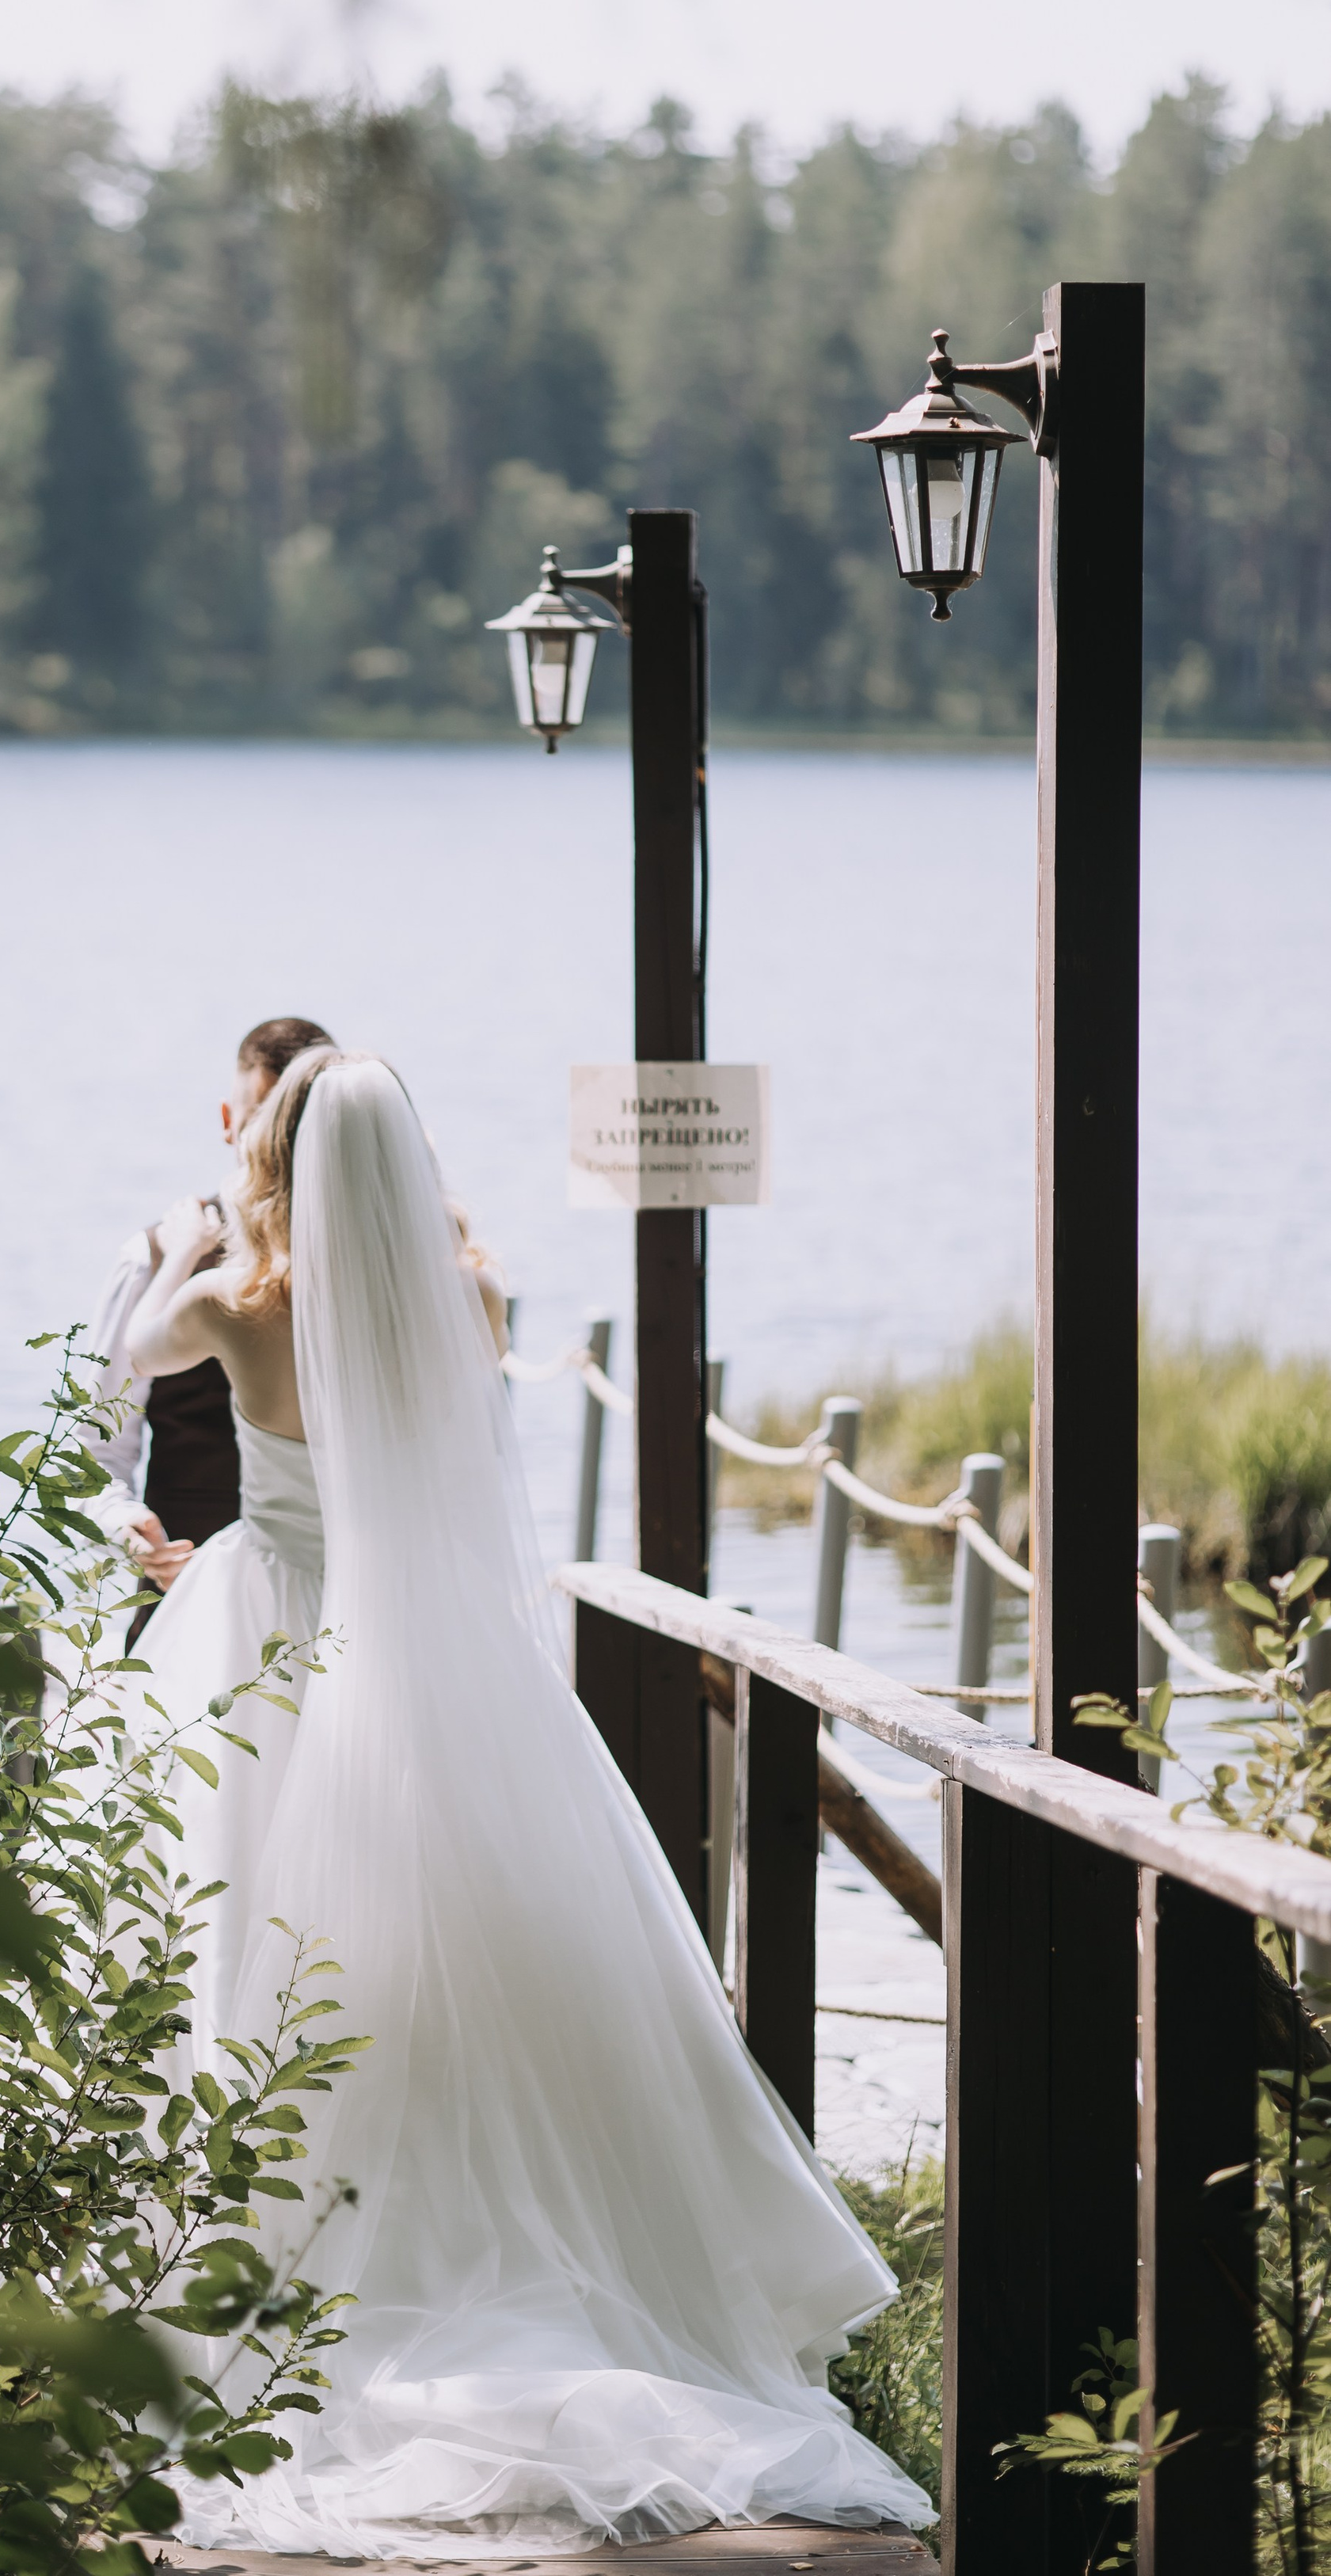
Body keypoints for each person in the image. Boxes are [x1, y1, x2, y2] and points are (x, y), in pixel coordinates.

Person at [120, 1047, 931, 2557]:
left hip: (274, 1636)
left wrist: (200, 1230)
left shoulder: (243, 1302)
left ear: (278, 1168)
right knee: (459, 1949)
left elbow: (127, 1356)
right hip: (436, 1652)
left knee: (242, 1946)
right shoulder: (473, 1303)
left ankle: (257, 2256)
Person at [82, 1017, 335, 1604]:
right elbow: (95, 1451)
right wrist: (127, 1530)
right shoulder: (152, 1259)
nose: (282, 1148)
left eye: (300, 1127)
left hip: (356, 1619)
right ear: (230, 1123)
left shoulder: (384, 1267)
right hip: (192, 1603)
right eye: (266, 1122)